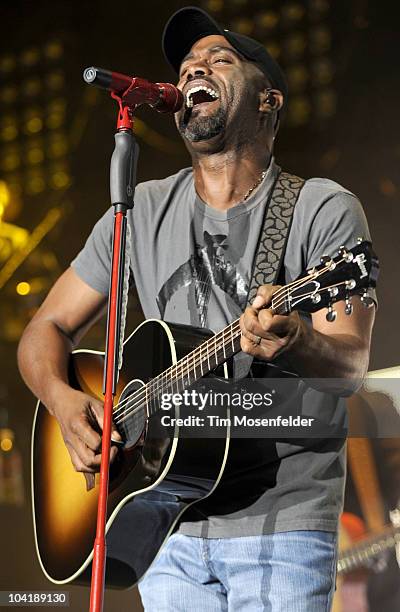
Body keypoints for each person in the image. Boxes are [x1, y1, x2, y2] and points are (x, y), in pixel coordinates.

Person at [18, 6, 376, 611]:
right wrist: (62, 399)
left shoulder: (322, 209)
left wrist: (297, 342)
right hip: (164, 522)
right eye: (185, 67)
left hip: (281, 521)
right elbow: (43, 328)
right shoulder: (139, 210)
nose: (192, 70)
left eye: (219, 60)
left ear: (268, 100)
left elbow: (351, 371)